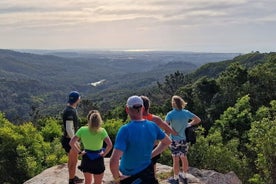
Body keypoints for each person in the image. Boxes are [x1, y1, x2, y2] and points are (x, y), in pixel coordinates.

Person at [110, 95, 172, 184]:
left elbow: (113, 161)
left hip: (129, 176)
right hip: (148, 174)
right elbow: (167, 142)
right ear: (142, 108)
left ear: (127, 109)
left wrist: (117, 178)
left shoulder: (125, 130)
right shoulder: (152, 126)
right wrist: (151, 155)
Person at [165, 95, 201, 184]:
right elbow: (198, 120)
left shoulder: (170, 114)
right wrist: (189, 124)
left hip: (174, 140)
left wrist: (169, 133)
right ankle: (184, 177)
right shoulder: (186, 112)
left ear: (173, 104)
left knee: (175, 159)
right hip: (184, 139)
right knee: (184, 158)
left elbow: (166, 127)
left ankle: (176, 178)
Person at [70, 111, 113, 184]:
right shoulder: (102, 131)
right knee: (98, 182)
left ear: (89, 120)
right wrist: (104, 154)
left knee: (88, 181)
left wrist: (79, 152)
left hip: (86, 158)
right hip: (98, 159)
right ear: (99, 121)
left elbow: (71, 143)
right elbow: (110, 145)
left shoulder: (82, 129)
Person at [140, 95, 177, 174]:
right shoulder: (155, 119)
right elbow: (168, 129)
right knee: (152, 169)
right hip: (154, 148)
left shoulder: (136, 119)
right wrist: (161, 138)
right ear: (148, 106)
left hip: (140, 148)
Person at [61, 91, 84, 184]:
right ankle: (72, 180)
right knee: (73, 161)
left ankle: (72, 177)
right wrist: (74, 141)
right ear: (77, 99)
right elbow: (69, 128)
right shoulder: (70, 111)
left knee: (72, 160)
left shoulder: (68, 109)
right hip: (69, 139)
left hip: (67, 139)